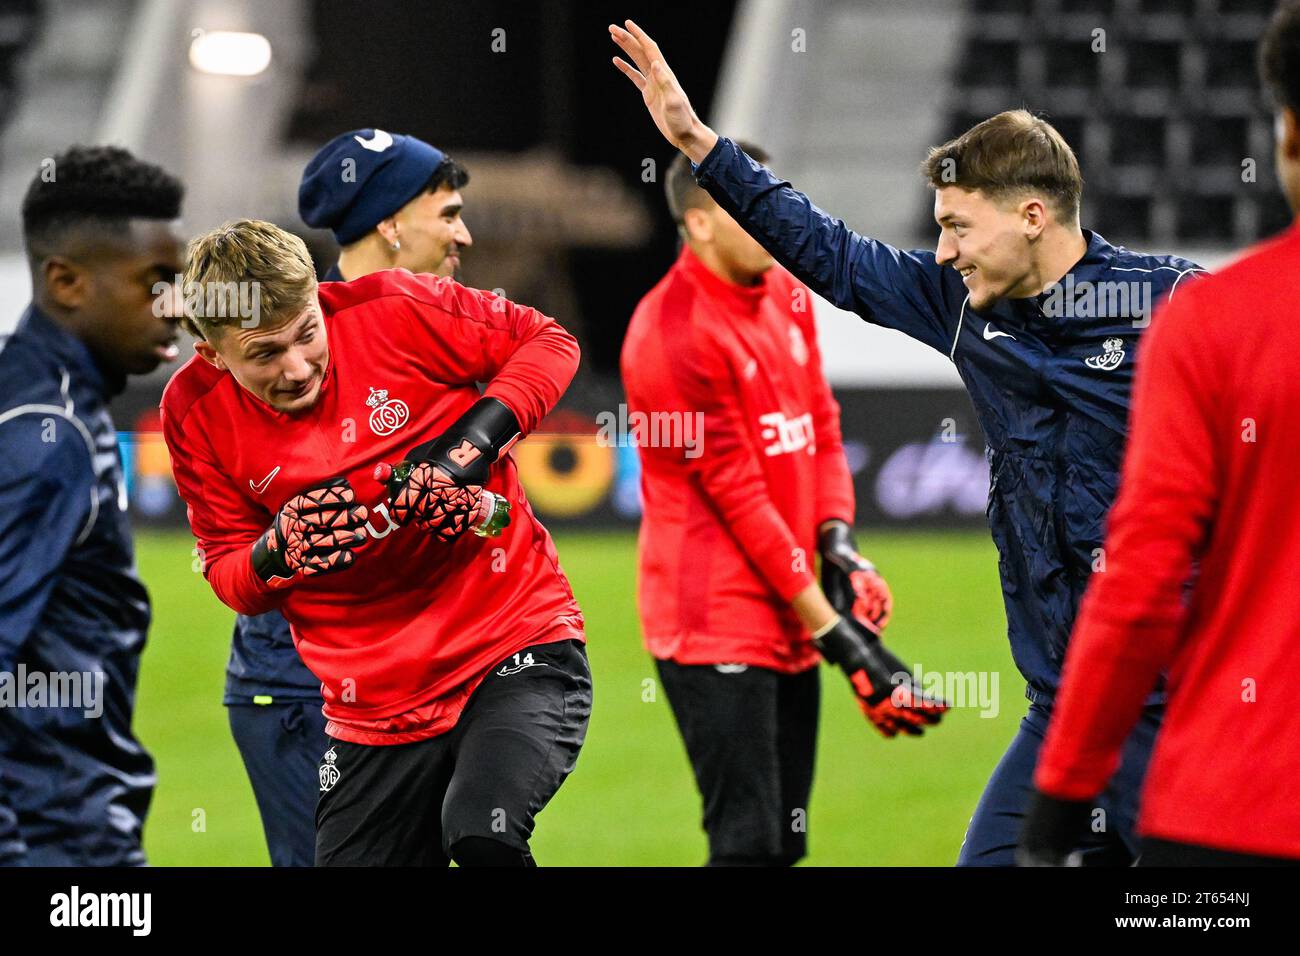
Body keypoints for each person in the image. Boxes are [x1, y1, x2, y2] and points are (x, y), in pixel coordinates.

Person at [610, 18, 1203, 865]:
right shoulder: (959, 304)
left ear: (1032, 215)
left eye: (959, 226)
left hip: (1168, 703)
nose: (945, 250)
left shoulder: (1171, 306)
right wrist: (704, 146)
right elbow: (834, 254)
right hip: (1061, 705)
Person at [161, 219, 588, 867]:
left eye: (307, 332)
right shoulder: (192, 412)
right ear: (214, 354)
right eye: (265, 354)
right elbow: (227, 571)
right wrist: (276, 553)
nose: (298, 367)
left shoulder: (393, 308)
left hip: (512, 646)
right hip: (372, 709)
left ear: (319, 297)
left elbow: (546, 342)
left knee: (483, 833)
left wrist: (462, 456)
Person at [1019, 0, 1300, 867]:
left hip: (1237, 811)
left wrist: (1061, 796)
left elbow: (1137, 585)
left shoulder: (1214, 323)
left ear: (1287, 132)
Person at [623, 144, 946, 866]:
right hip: (714, 620)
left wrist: (838, 543)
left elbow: (822, 427)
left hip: (790, 603)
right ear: (699, 223)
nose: (772, 223)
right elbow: (739, 501)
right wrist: (848, 640)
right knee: (747, 845)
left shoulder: (788, 295)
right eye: (748, 207)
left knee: (786, 845)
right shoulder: (671, 333)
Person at [221, 128, 473, 868]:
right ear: (391, 222)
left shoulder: (453, 329)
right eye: (447, 212)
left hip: (423, 686)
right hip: (309, 692)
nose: (463, 233)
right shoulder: (293, 355)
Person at [0, 145, 185, 865]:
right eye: (155, 283)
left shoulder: (44, 403)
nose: (178, 306)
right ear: (67, 282)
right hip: (57, 841)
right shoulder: (48, 436)